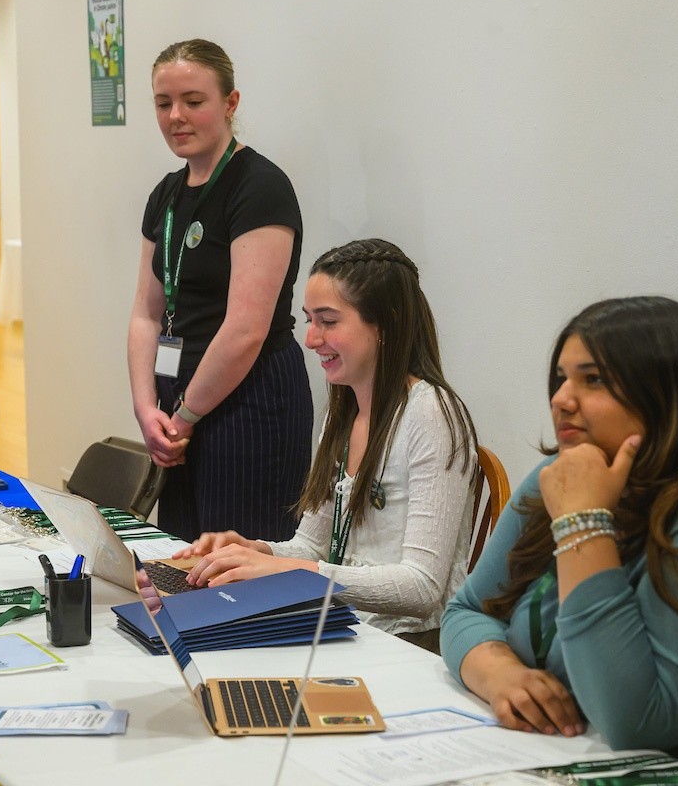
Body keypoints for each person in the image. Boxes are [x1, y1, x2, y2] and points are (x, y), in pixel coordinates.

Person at [440, 297, 678, 776]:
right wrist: (500, 674)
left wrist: (583, 524)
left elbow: (635, 722)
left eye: (592, 380)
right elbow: (466, 610)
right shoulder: (559, 475)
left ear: (669, 395)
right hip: (549, 757)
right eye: (561, 379)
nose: (561, 399)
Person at [174, 239, 479, 652]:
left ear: (385, 324)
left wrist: (290, 569)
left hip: (408, 643)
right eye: (309, 321)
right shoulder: (344, 415)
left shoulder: (432, 413)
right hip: (342, 626)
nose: (312, 338)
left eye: (329, 321)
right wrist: (254, 550)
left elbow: (422, 586)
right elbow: (313, 546)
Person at [128, 39, 313, 543]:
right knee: (184, 561)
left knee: (238, 576)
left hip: (248, 401)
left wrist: (185, 415)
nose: (176, 117)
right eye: (163, 103)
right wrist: (148, 411)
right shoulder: (165, 194)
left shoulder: (260, 187)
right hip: (176, 410)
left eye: (193, 100)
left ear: (230, 104)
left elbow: (246, 330)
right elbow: (147, 314)